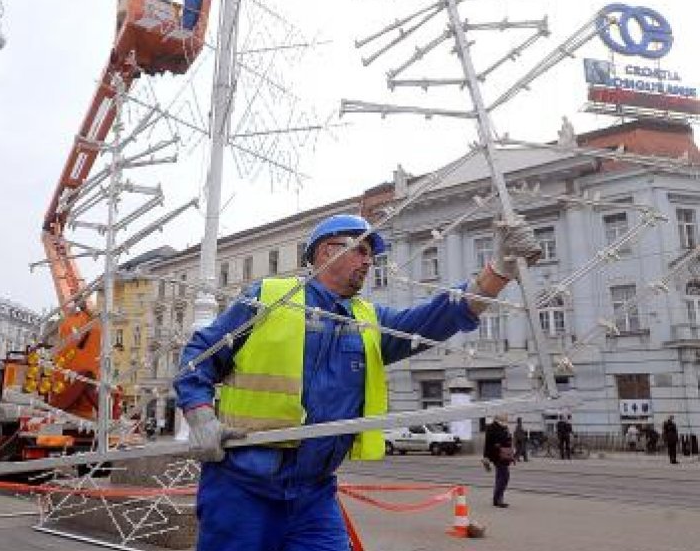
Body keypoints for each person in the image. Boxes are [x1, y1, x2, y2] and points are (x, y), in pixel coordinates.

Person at [175, 213, 542, 551]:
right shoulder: (269, 298)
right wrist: (200, 414)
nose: (369, 262)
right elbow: (199, 355)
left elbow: (432, 319)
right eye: (362, 251)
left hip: (313, 496)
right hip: (242, 490)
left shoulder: (367, 319)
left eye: (371, 254)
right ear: (325, 252)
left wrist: (498, 273)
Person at [483, 414, 513, 507]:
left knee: (501, 477)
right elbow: (487, 443)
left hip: (504, 455)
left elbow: (507, 439)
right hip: (498, 456)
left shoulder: (504, 427)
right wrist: (486, 457)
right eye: (504, 419)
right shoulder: (492, 428)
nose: (506, 421)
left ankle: (497, 499)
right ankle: (498, 499)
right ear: (498, 419)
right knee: (504, 477)